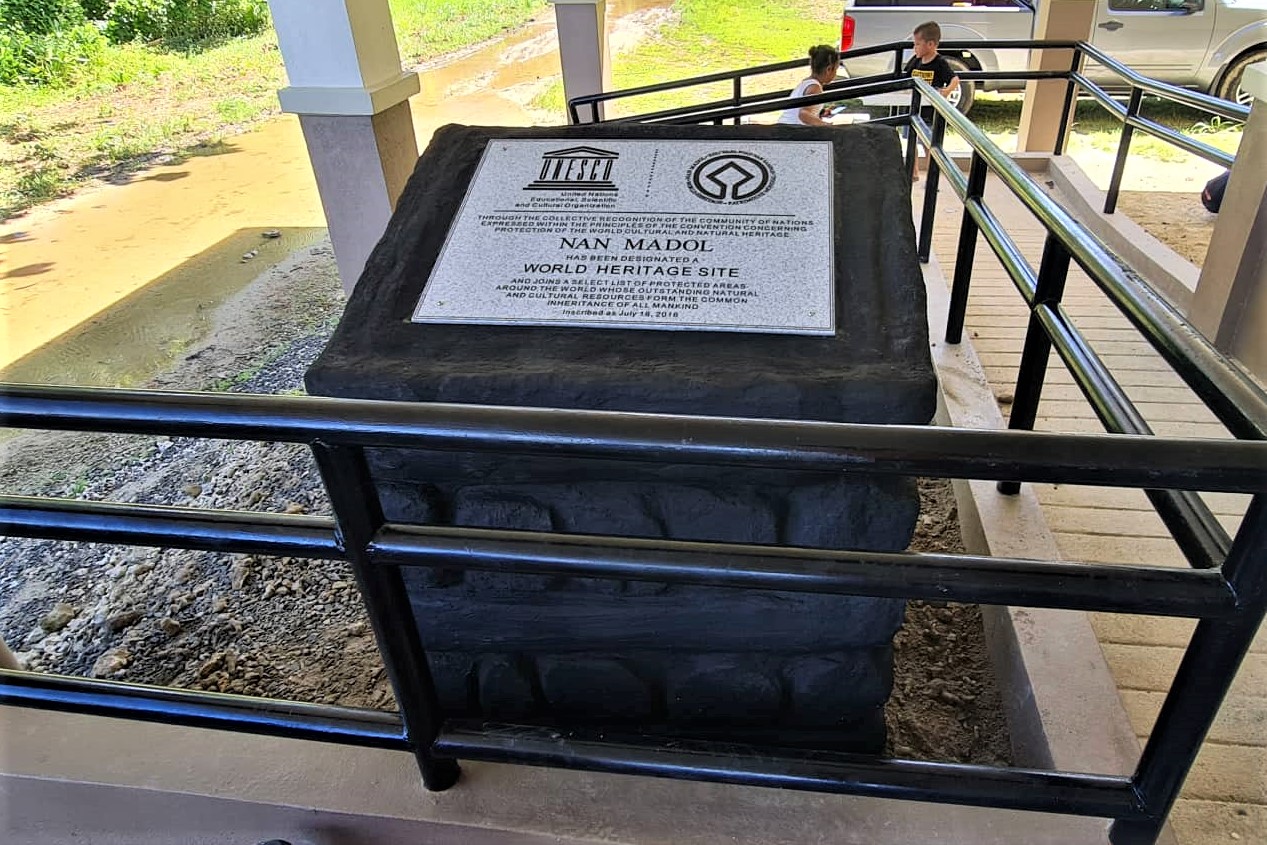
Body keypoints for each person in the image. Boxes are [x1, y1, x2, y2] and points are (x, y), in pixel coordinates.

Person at [904, 21, 959, 180]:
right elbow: (906, 77)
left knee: (929, 144)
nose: (915, 48)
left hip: (930, 112)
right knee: (911, 142)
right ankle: (913, 172)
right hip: (914, 108)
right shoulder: (916, 61)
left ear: (931, 44)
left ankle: (931, 174)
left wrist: (946, 91)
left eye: (918, 44)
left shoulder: (940, 63)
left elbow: (954, 79)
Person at [777, 45, 840, 126]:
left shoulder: (806, 83)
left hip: (785, 127)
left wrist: (820, 113)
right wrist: (825, 125)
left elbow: (805, 109)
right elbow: (804, 114)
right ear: (829, 69)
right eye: (836, 69)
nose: (836, 73)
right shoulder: (815, 88)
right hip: (792, 131)